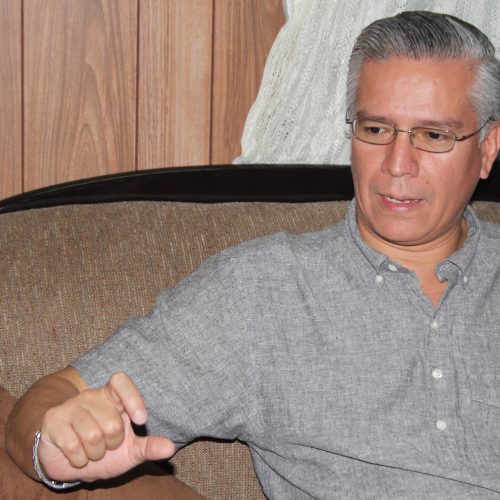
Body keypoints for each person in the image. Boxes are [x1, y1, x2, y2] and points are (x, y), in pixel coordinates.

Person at [6, 10, 500, 499]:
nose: (397, 164)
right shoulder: (264, 292)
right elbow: (50, 403)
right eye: (375, 130)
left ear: (487, 149)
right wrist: (53, 446)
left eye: (434, 136)